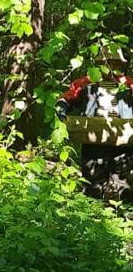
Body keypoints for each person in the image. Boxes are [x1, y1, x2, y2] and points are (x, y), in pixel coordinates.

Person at [56, 46, 133, 201]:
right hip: (93, 139)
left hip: (124, 140)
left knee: (124, 181)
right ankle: (94, 210)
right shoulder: (85, 83)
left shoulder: (129, 84)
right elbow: (66, 99)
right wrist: (62, 110)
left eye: (115, 63)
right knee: (93, 181)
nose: (112, 67)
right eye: (108, 63)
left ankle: (121, 211)